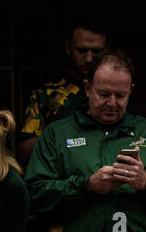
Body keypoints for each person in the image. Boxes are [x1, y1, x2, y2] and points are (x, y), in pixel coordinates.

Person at [25, 49, 146, 232]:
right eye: (103, 94)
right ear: (87, 88)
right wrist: (87, 186)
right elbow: (34, 196)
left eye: (120, 95)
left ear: (131, 90)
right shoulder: (57, 134)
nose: (112, 103)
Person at [16, 15, 109, 169]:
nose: (89, 58)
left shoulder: (118, 92)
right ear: (68, 47)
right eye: (82, 50)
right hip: (60, 184)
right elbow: (23, 153)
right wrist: (69, 137)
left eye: (96, 51)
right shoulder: (46, 95)